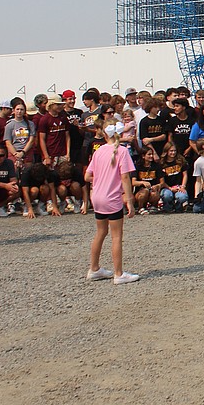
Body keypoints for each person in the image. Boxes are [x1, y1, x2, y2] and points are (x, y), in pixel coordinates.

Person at [84, 117, 139, 284]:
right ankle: (118, 273)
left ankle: (94, 268)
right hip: (112, 197)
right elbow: (125, 177)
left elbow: (87, 176)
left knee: (100, 232)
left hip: (98, 196)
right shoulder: (122, 151)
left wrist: (101, 180)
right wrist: (129, 200)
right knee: (116, 236)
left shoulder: (99, 151)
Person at [37, 93, 71, 167]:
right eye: (58, 105)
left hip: (63, 153)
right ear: (51, 105)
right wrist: (46, 156)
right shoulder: (44, 119)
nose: (60, 107)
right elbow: (42, 139)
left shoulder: (63, 118)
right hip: (51, 154)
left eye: (61, 105)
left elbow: (67, 136)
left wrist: (68, 153)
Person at [158, 143, 190, 213]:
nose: (173, 153)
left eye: (174, 151)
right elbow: (162, 181)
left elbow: (185, 175)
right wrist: (170, 188)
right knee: (167, 196)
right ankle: (168, 207)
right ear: (166, 151)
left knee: (182, 197)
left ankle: (178, 206)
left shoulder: (181, 160)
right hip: (166, 187)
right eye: (171, 151)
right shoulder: (161, 163)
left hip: (179, 186)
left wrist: (183, 186)